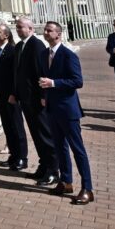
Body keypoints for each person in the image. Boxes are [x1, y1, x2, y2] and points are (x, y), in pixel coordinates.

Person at [37, 21, 93, 204]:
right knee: (60, 147)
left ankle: (87, 188)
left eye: (49, 30)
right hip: (52, 108)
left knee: (78, 149)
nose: (46, 32)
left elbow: (77, 81)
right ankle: (66, 181)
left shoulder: (68, 55)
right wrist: (45, 94)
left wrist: (54, 83)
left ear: (58, 34)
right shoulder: (45, 54)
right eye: (45, 30)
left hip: (68, 110)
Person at [10, 17, 58, 186]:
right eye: (16, 27)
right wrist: (15, 93)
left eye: (20, 27)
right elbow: (17, 74)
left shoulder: (36, 45)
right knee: (36, 135)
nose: (17, 30)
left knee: (45, 135)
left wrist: (44, 96)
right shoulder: (19, 46)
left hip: (37, 100)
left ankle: (53, 170)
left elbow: (41, 72)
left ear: (30, 28)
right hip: (25, 99)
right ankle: (43, 166)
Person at [0, 23, 27, 170]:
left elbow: (17, 75)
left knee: (17, 127)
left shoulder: (13, 50)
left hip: (12, 96)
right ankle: (13, 156)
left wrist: (14, 94)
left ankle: (22, 158)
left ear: (6, 35)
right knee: (7, 127)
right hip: (0, 95)